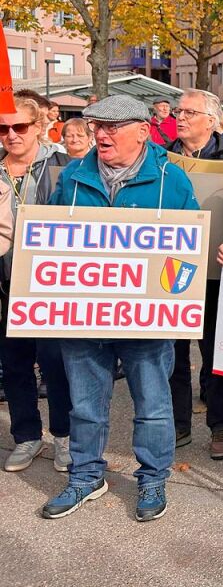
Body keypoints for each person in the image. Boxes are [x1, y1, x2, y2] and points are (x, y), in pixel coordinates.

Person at [42, 95, 199, 522]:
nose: (101, 134)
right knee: (85, 406)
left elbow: (189, 250)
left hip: (145, 322)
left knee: (152, 405)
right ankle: (86, 475)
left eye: (112, 127)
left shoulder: (171, 180)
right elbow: (51, 234)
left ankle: (152, 477)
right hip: (84, 317)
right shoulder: (74, 174)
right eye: (97, 127)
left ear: (143, 131)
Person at [164, 89, 223, 459]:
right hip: (171, 268)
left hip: (218, 274)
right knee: (173, 352)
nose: (180, 117)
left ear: (212, 121)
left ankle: (220, 426)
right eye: (178, 111)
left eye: (189, 112)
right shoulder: (161, 158)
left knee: (214, 354)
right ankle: (179, 425)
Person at [0, 96, 71, 475]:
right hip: (5, 287)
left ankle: (64, 436)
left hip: (51, 288)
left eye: (19, 127)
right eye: (3, 129)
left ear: (38, 125)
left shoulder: (64, 166)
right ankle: (26, 436)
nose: (11, 135)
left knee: (57, 366)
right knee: (14, 367)